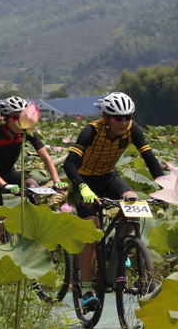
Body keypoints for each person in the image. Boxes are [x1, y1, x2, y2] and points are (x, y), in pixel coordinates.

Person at [63, 91, 165, 308]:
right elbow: (69, 164)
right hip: (85, 180)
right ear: (106, 117)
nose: (124, 122)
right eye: (118, 118)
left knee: (133, 203)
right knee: (92, 229)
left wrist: (167, 187)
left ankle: (116, 246)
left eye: (128, 117)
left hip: (109, 177)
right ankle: (88, 288)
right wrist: (83, 188)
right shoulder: (91, 131)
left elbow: (150, 160)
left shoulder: (132, 131)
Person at [0, 95, 68, 242]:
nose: (20, 121)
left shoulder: (27, 131)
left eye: (22, 116)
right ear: (5, 119)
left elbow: (45, 156)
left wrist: (56, 180)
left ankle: (23, 230)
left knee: (34, 188)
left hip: (9, 172)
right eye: (15, 118)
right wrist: (4, 185)